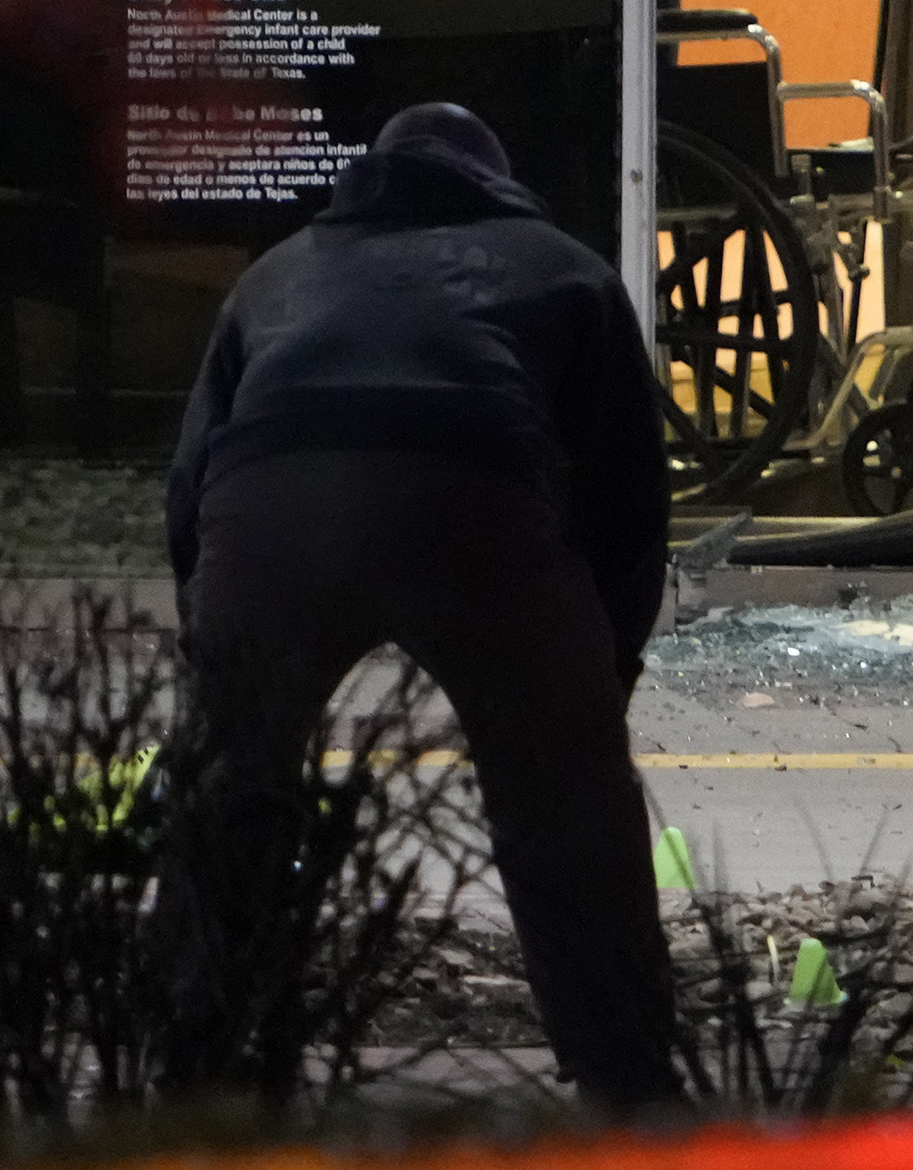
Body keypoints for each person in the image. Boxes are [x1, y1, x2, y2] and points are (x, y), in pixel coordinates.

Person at [155, 101, 677, 1109]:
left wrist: (214, 655)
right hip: (473, 497)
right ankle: (628, 1076)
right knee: (566, 802)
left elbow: (188, 482)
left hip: (272, 505)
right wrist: (596, 679)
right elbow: (628, 498)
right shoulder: (563, 267)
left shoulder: (278, 272)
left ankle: (196, 1059)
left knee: (229, 791)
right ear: (498, 178)